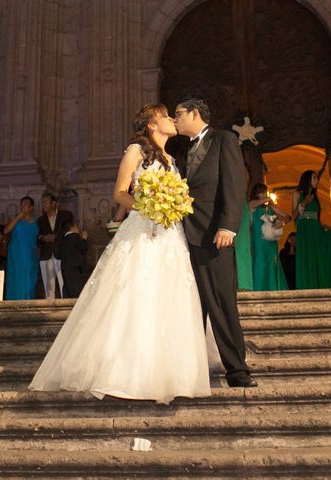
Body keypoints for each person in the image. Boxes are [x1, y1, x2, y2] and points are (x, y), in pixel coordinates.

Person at [29, 104, 211, 404]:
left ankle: (168, 373)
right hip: (142, 229)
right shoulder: (136, 151)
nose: (170, 119)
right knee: (136, 293)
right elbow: (119, 192)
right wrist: (147, 206)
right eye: (165, 116)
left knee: (169, 295)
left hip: (169, 234)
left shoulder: (170, 158)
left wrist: (173, 205)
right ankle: (126, 372)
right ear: (152, 124)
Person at [174, 93, 256, 388]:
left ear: (194, 114)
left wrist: (228, 226)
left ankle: (237, 370)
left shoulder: (223, 140)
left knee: (223, 303)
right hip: (188, 238)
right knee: (194, 307)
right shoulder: (184, 152)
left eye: (178, 114)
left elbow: (234, 185)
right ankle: (191, 371)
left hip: (215, 236)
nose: (175, 120)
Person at [291, 170, 331, 289]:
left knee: (318, 258)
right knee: (307, 258)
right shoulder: (296, 194)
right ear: (307, 179)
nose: (317, 180)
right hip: (304, 229)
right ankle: (307, 286)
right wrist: (305, 202)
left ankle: (321, 285)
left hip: (315, 229)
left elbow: (316, 218)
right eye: (314, 178)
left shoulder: (315, 197)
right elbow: (294, 216)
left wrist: (326, 227)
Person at [249, 183, 289, 291]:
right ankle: (259, 289)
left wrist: (281, 223)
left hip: (271, 242)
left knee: (272, 263)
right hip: (259, 242)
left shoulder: (270, 207)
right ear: (257, 194)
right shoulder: (252, 205)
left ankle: (274, 288)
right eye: (262, 192)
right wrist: (268, 199)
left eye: (265, 192)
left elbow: (286, 216)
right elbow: (253, 205)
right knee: (260, 262)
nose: (264, 194)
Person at [37, 193, 73, 299]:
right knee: (48, 286)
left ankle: (64, 308)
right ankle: (49, 310)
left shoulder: (66, 215)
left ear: (53, 203)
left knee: (64, 282)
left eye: (46, 202)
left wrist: (56, 236)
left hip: (61, 252)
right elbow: (37, 238)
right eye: (42, 202)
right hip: (46, 254)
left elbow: (69, 230)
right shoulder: (40, 220)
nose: (44, 205)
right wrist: (43, 238)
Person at [4, 196, 39, 300]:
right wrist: (19, 216)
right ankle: (14, 300)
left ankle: (26, 299)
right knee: (16, 276)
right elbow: (6, 231)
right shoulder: (15, 219)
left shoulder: (36, 222)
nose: (24, 206)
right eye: (22, 204)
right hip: (16, 253)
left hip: (29, 253)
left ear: (31, 207)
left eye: (26, 204)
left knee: (28, 276)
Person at [57, 218, 89, 298]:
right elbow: (83, 249)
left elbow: (59, 254)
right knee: (75, 287)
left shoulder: (63, 240)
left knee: (67, 286)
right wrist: (84, 239)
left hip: (64, 267)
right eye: (76, 227)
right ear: (72, 228)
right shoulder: (75, 237)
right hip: (74, 266)